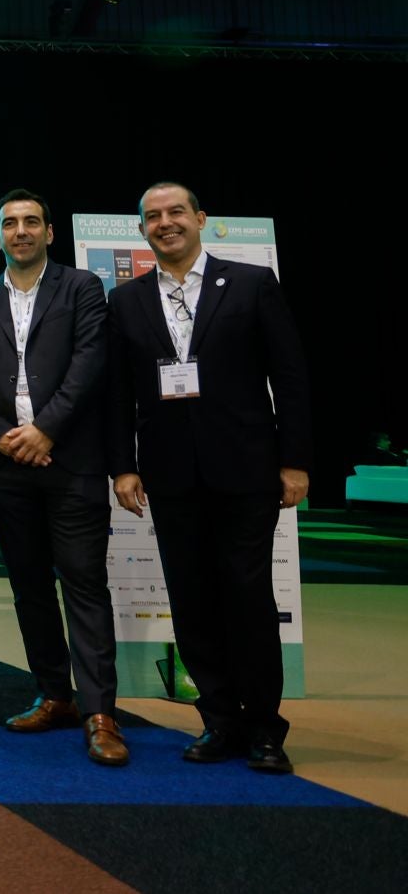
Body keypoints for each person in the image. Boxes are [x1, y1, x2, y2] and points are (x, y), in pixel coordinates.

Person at [108, 182, 311, 775]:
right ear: (142, 230)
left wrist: (295, 461)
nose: (165, 223)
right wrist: (123, 465)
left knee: (248, 598)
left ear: (201, 219)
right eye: (152, 217)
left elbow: (291, 376)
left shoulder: (250, 284)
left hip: (246, 471)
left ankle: (266, 728)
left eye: (176, 213)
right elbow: (118, 395)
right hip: (170, 478)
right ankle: (220, 719)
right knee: (192, 604)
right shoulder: (127, 301)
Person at [0, 189, 126, 765]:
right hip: (5, 466)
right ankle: (55, 695)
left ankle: (101, 712)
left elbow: (89, 365)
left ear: (50, 233)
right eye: (10, 223)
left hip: (72, 461)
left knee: (83, 584)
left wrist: (46, 430)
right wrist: (2, 434)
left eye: (32, 222)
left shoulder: (83, 289)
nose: (21, 231)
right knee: (29, 587)